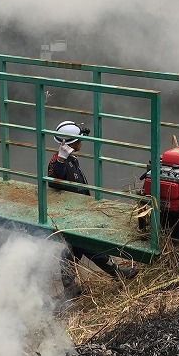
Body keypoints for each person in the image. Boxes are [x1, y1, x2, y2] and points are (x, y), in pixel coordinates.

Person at [48, 120, 137, 281]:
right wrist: (61, 160)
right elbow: (54, 181)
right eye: (80, 140)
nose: (81, 142)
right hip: (70, 211)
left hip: (80, 207)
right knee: (87, 246)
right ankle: (117, 274)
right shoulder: (58, 162)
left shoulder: (71, 158)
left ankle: (70, 287)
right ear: (72, 142)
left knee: (74, 249)